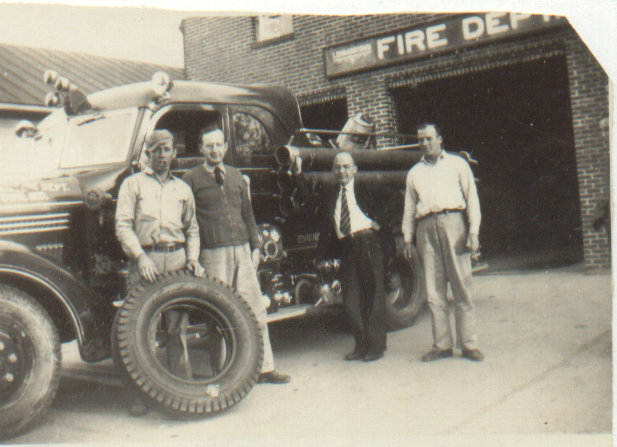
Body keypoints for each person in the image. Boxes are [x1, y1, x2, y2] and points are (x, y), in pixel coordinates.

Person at [182, 125, 290, 384]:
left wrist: (255, 247)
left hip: (242, 251)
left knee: (255, 310)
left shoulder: (236, 175)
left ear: (226, 146)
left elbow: (248, 215)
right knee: (219, 314)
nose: (214, 150)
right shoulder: (190, 179)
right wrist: (194, 257)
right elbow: (188, 222)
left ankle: (265, 368)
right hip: (212, 255)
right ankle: (223, 374)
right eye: (209, 145)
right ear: (201, 149)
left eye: (219, 145)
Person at [115, 129, 203, 416]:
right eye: (156, 150)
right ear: (148, 153)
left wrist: (192, 258)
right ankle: (140, 395)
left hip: (176, 261)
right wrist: (140, 257)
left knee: (177, 330)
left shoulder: (183, 188)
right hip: (146, 263)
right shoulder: (133, 184)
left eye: (167, 149)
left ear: (174, 152)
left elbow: (192, 229)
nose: (162, 155)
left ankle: (183, 392)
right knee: (142, 331)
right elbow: (123, 226)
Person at [402, 123, 484, 362]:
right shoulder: (414, 173)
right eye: (420, 140)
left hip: (454, 224)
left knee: (461, 287)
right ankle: (442, 345)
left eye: (429, 138)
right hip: (425, 228)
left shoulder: (458, 164)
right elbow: (408, 209)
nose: (425, 143)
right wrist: (408, 238)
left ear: (440, 138)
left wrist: (474, 233)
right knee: (434, 291)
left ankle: (469, 345)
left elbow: (472, 200)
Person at [307, 151, 388, 362]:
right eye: (337, 167)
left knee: (373, 295)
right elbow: (309, 201)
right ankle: (361, 345)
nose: (342, 171)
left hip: (367, 241)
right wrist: (298, 174)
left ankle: (376, 348)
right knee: (350, 301)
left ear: (354, 169)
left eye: (346, 167)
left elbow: (394, 200)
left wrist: (380, 222)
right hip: (346, 247)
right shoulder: (331, 192)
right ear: (333, 170)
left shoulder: (365, 186)